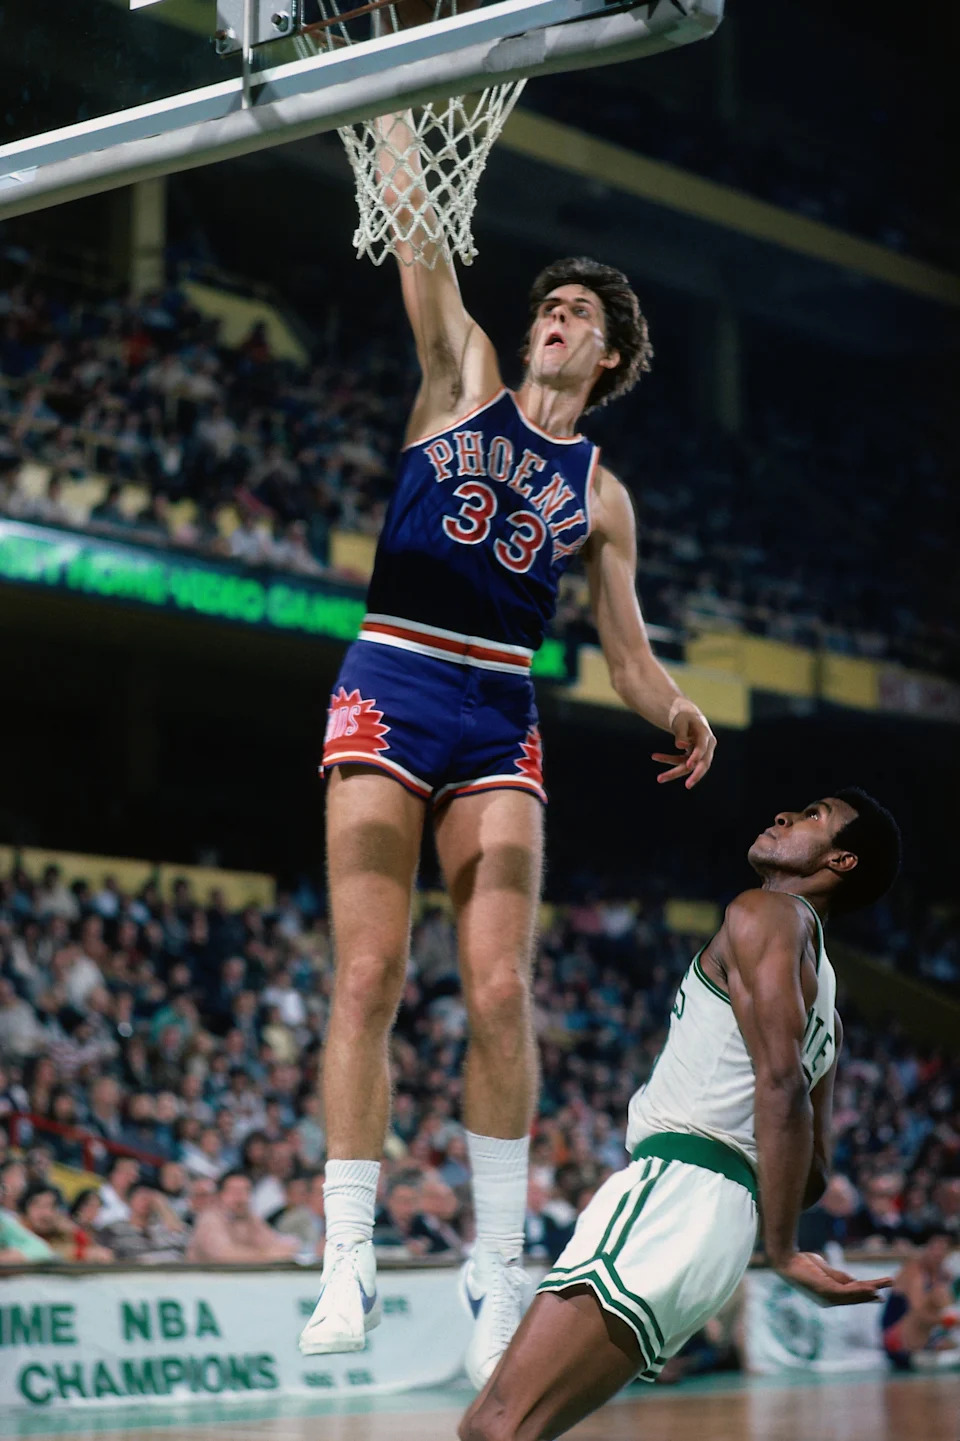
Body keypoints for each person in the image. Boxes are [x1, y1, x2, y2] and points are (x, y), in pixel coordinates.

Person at [300, 120, 717, 1386]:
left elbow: (628, 657)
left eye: (579, 312)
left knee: (499, 990)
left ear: (610, 352)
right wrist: (393, 117)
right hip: (393, 671)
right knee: (368, 972)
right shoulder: (463, 377)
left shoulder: (601, 494)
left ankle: (497, 1265)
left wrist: (679, 710)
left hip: (497, 709)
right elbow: (421, 244)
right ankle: (348, 1254)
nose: (555, 317)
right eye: (550, 305)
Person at [459, 789, 902, 1439]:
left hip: (675, 1190)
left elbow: (780, 1084)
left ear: (841, 860)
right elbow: (813, 1172)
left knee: (495, 1425)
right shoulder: (828, 1012)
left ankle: (491, 1295)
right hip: (721, 1231)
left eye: (814, 816)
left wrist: (784, 1252)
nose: (783, 814)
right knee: (512, 1431)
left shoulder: (765, 911)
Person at [881, 1232, 960, 1371]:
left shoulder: (942, 1274)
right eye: (934, 1249)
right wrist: (950, 1321)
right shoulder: (914, 1272)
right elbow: (918, 1313)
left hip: (920, 1336)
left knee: (941, 1293)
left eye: (943, 1250)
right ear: (925, 1249)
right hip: (897, 1339)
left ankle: (940, 1340)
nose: (938, 1254)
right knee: (938, 1294)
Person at [187, 1170, 300, 1264]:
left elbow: (277, 1245)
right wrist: (266, 1255)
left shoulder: (249, 1217)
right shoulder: (209, 1218)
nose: (241, 1198)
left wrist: (276, 1251)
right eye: (235, 1192)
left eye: (246, 1191)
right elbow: (224, 1255)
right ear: (220, 1195)